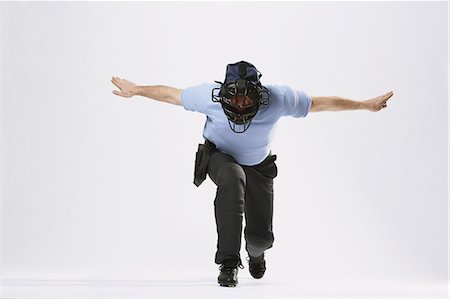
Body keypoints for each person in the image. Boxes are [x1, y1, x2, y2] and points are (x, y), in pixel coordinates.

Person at [111, 61, 393, 287]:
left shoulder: (279, 98)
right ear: (223, 94)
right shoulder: (207, 95)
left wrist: (364, 104)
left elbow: (319, 103)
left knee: (262, 238)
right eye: (236, 99)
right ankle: (229, 263)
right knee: (233, 177)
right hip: (220, 158)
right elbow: (172, 95)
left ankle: (255, 252)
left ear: (260, 96)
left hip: (259, 166)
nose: (242, 105)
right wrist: (137, 89)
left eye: (249, 100)